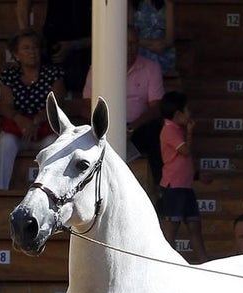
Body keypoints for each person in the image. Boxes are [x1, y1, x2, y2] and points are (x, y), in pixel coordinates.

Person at [83, 27, 164, 186]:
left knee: (158, 131)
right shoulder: (99, 67)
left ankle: (162, 191)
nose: (129, 48)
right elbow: (87, 102)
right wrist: (107, 126)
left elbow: (155, 107)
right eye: (125, 43)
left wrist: (131, 128)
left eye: (133, 43)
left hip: (137, 127)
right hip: (105, 126)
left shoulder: (151, 67)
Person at [0, 29, 64, 190]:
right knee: (5, 143)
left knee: (53, 144)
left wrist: (34, 121)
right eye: (26, 48)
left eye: (35, 48)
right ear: (16, 54)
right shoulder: (9, 75)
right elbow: (5, 105)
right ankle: (1, 190)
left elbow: (57, 104)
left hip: (45, 129)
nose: (32, 52)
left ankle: (49, 191)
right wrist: (21, 120)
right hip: (18, 130)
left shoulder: (53, 73)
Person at [158, 90, 206, 263]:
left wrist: (197, 175)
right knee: (172, 229)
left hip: (185, 186)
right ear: (178, 114)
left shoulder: (176, 129)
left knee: (195, 226)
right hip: (174, 188)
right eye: (187, 110)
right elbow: (185, 151)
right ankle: (166, 264)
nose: (189, 113)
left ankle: (204, 263)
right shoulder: (169, 130)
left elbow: (184, 164)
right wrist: (190, 132)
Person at [15, 0, 91, 95]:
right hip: (52, 46)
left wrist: (74, 45)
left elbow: (105, 35)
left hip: (85, 53)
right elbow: (23, 3)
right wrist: (26, 35)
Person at [131, 0, 176, 75]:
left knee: (156, 58)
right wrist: (151, 45)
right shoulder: (132, 5)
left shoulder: (167, 4)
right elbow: (130, 34)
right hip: (139, 46)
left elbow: (169, 39)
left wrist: (160, 45)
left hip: (161, 48)